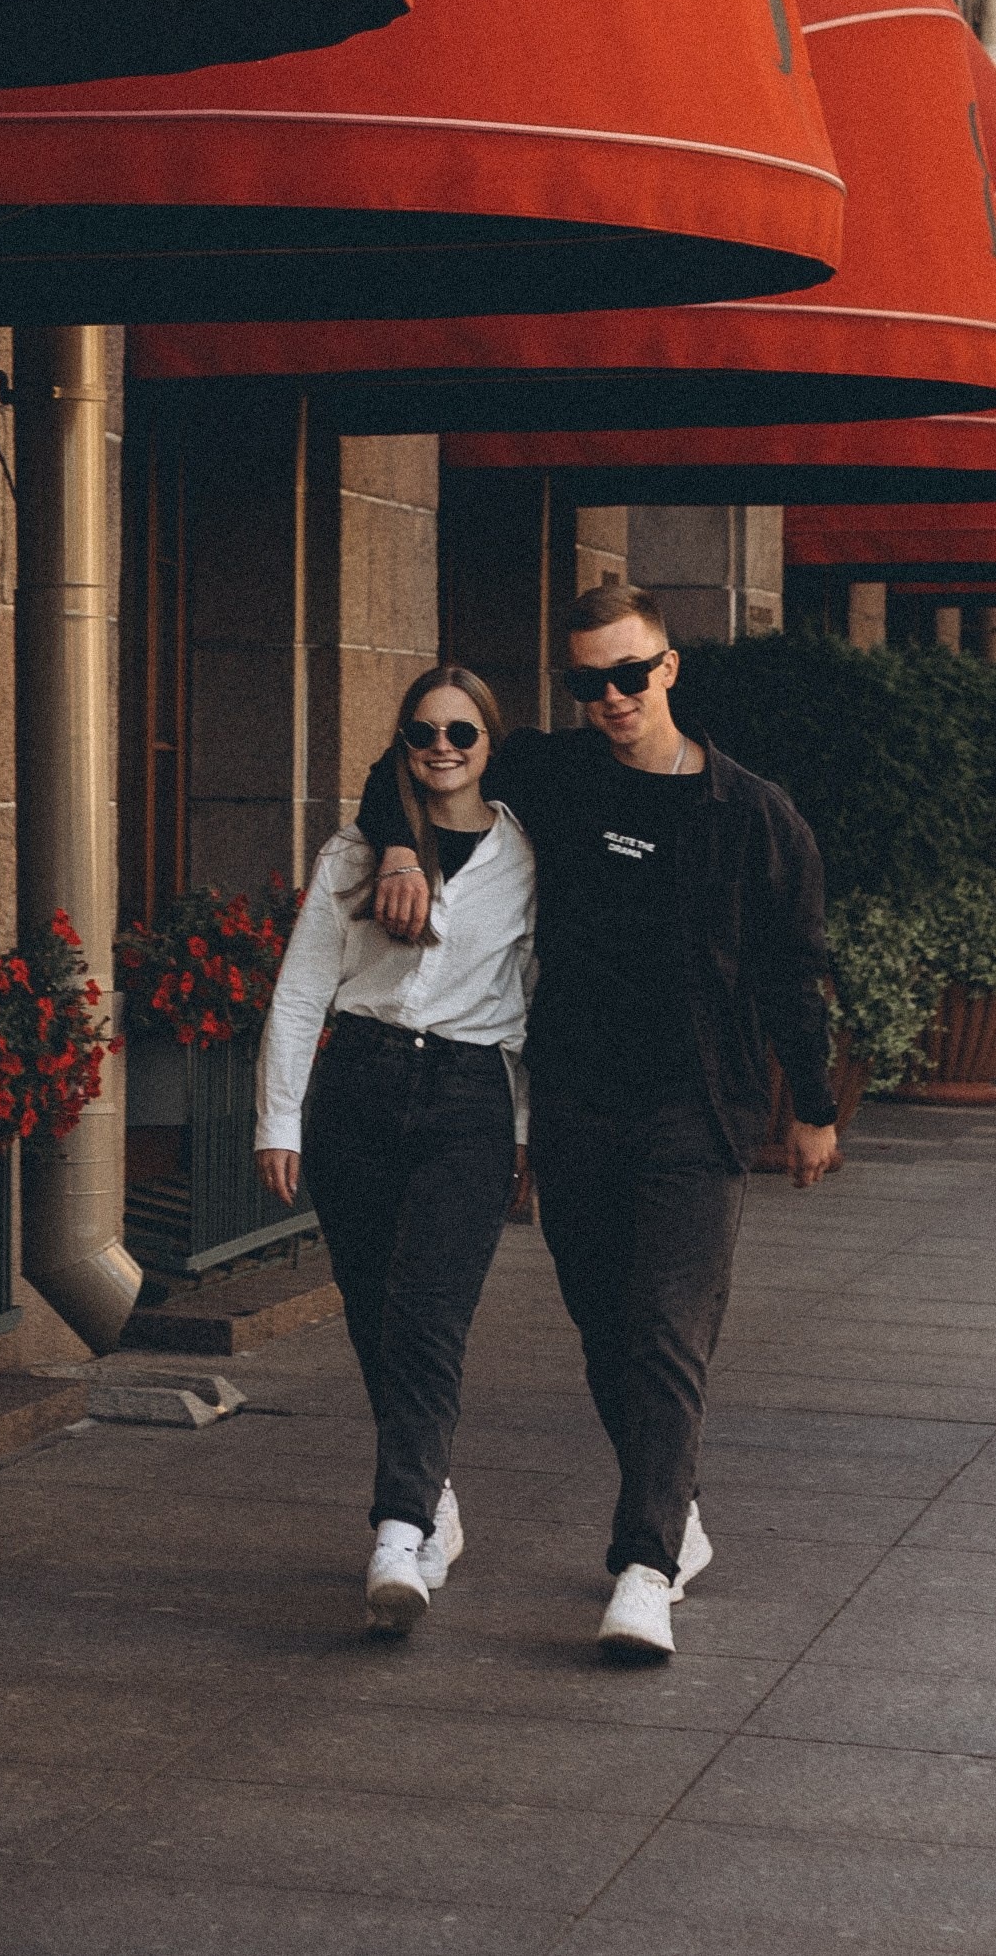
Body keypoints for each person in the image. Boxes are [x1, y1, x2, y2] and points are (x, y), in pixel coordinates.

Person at [356, 584, 839, 1665]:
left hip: (697, 1108)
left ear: (669, 668)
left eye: (629, 674)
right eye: (588, 681)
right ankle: (679, 1512)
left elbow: (792, 970)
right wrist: (395, 846)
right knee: (608, 1332)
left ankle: (644, 1568)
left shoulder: (752, 813)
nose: (611, 698)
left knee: (667, 1330)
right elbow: (418, 765)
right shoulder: (554, 774)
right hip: (577, 1101)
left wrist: (810, 1107)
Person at [255, 665, 537, 1637]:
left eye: (462, 730)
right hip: (358, 1088)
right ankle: (433, 1496)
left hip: (469, 1097)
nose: (442, 746)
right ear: (403, 742)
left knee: (427, 1315)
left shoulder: (523, 855)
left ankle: (397, 1528)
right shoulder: (356, 849)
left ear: (490, 742)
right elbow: (302, 987)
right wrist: (279, 1118)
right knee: (376, 1312)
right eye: (423, 730)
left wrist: (526, 1132)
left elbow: (530, 997)